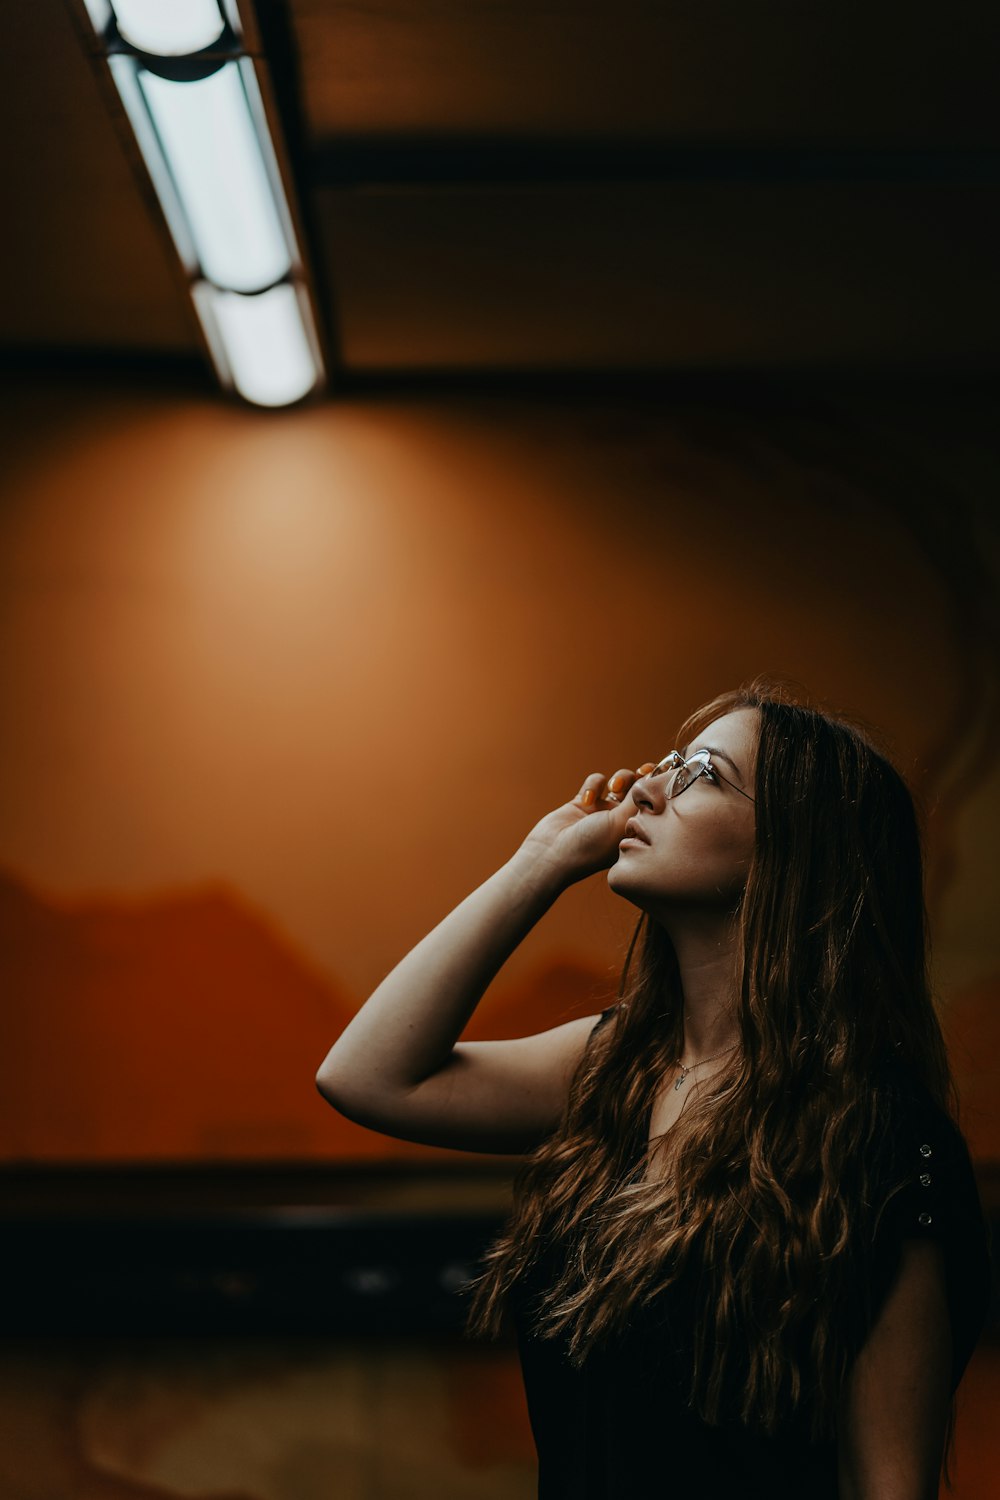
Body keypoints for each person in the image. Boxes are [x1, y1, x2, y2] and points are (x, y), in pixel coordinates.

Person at [315, 678, 993, 1498]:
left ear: (793, 849)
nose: (645, 785)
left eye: (701, 772)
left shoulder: (884, 1139)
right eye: (666, 762)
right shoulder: (611, 1070)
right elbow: (366, 1076)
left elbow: (888, 1486)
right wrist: (541, 862)